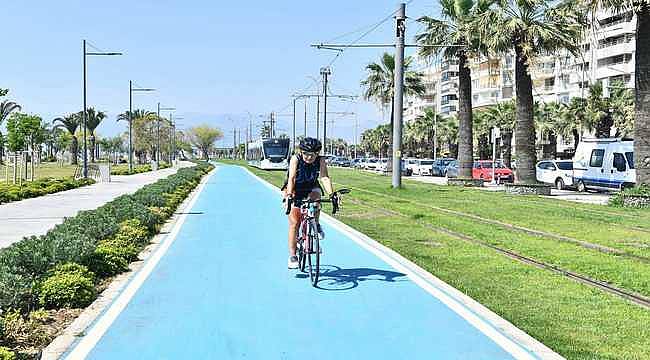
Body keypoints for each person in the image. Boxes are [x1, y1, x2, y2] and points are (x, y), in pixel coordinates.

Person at [282, 137, 334, 269]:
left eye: (312, 155)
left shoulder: (321, 160)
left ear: (317, 154)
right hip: (294, 187)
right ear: (301, 152)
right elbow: (292, 178)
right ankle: (293, 256)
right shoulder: (296, 159)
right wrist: (289, 196)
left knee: (316, 199)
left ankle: (316, 224)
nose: (309, 157)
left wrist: (332, 194)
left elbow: (324, 177)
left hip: (311, 186)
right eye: (306, 154)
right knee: (295, 222)